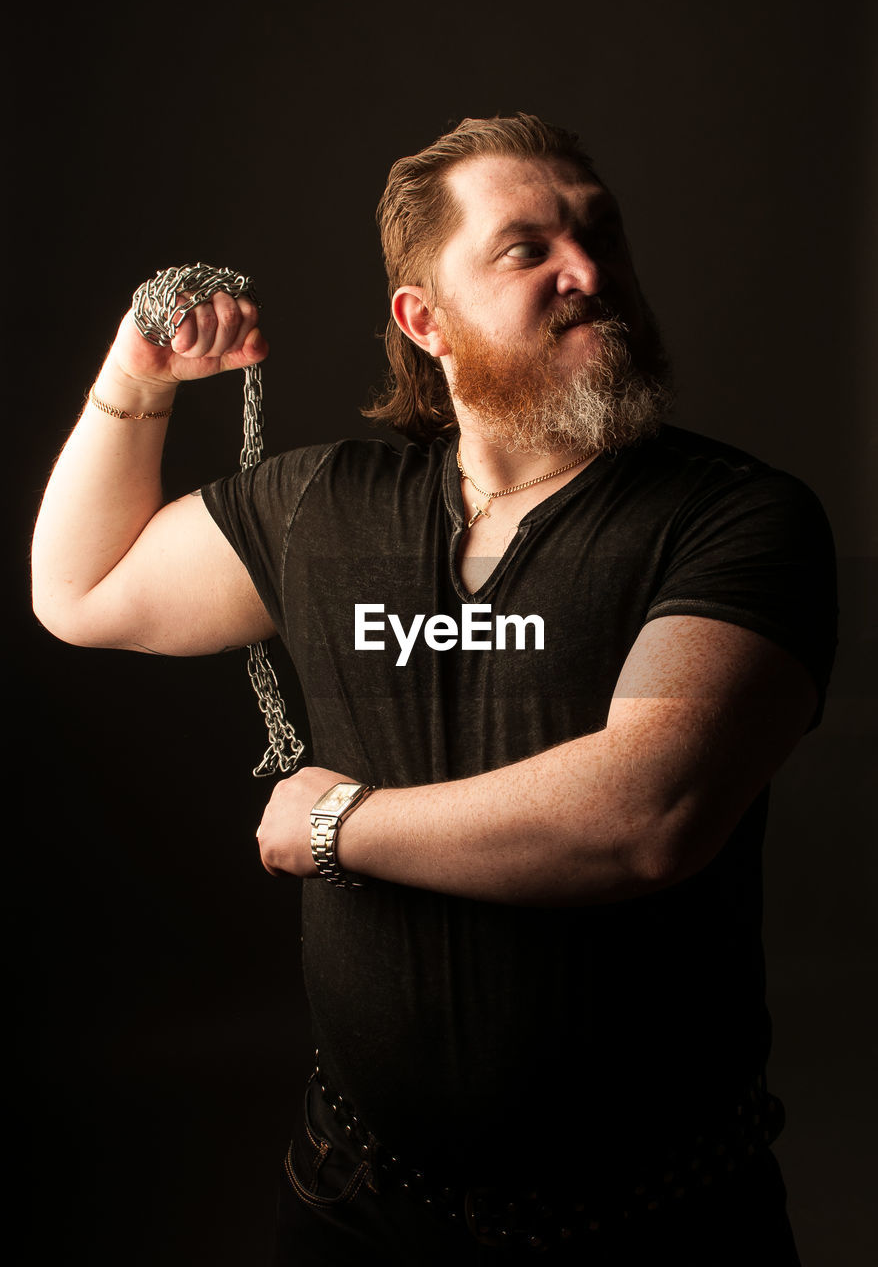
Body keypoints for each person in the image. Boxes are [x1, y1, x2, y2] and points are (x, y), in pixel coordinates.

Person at [31, 114, 836, 1265]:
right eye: (527, 248)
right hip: (355, 1202)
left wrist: (331, 823)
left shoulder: (735, 518)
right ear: (426, 321)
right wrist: (135, 377)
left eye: (597, 234)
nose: (589, 271)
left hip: (650, 1218)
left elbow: (646, 814)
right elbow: (83, 587)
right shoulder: (324, 505)